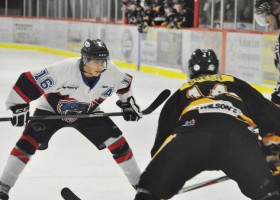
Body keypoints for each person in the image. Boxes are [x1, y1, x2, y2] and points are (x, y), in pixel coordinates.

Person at [0, 39, 143, 200]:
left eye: (103, 61)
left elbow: (124, 86)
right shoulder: (64, 69)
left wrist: (127, 105)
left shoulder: (111, 73)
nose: (100, 66)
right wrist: (19, 105)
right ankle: (3, 186)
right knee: (26, 143)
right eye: (96, 61)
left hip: (88, 112)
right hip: (51, 110)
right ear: (84, 59)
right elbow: (29, 80)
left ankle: (142, 188)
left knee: (119, 144)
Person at [134, 49, 280, 200]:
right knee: (270, 194)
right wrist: (272, 167)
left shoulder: (182, 91)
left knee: (147, 192)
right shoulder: (234, 82)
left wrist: (157, 180)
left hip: (190, 139)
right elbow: (274, 120)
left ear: (191, 71)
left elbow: (161, 144)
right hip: (238, 141)